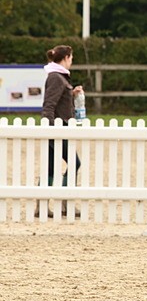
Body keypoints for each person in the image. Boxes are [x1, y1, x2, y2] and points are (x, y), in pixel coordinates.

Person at [41, 45, 84, 216]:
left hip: (59, 128)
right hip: (58, 129)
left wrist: (71, 94)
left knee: (50, 167)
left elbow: (58, 102)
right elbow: (49, 105)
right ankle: (66, 202)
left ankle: (41, 205)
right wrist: (50, 129)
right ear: (66, 57)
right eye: (71, 57)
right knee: (75, 163)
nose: (72, 61)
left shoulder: (59, 77)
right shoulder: (57, 77)